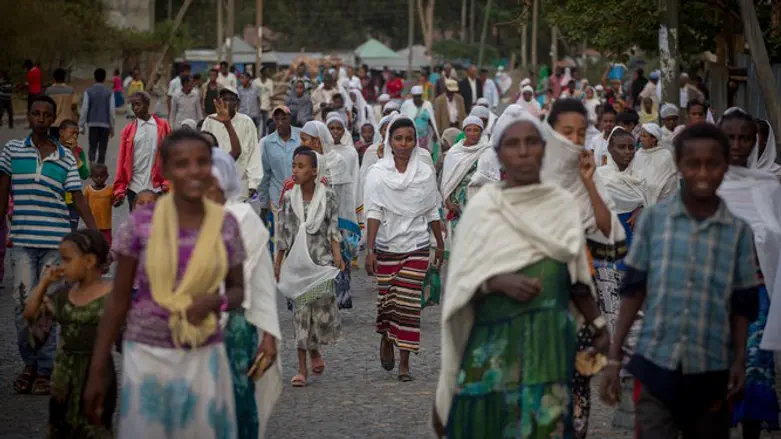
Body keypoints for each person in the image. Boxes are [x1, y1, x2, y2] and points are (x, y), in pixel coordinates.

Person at [433, 111, 609, 438]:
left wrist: (598, 324)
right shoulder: (484, 207)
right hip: (492, 346)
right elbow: (460, 282)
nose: (524, 151)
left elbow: (576, 278)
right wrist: (496, 282)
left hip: (548, 343)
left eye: (532, 142)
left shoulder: (562, 205)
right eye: (513, 144)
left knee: (543, 426)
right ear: (499, 155)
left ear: (545, 150)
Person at [600, 123, 761, 439]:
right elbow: (633, 293)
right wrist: (615, 356)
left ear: (725, 166)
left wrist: (740, 361)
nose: (702, 172)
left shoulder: (738, 231)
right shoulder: (654, 222)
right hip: (655, 366)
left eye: (712, 163)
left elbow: (743, 305)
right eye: (692, 163)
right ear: (680, 168)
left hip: (712, 369)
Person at [84, 130, 246, 438]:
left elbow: (238, 290)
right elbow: (118, 300)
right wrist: (96, 370)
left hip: (203, 354)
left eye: (202, 161)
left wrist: (214, 302)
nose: (194, 170)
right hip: (147, 356)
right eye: (182, 163)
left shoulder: (225, 225)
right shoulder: (141, 223)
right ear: (166, 170)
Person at [1, 95, 98, 396]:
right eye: (35, 114)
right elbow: (2, 193)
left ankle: (43, 369)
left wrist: (95, 235)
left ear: (53, 118)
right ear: (28, 117)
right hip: (23, 242)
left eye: (46, 115)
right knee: (21, 307)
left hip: (55, 243)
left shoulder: (65, 158)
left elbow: (78, 199)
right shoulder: (12, 151)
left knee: (45, 306)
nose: (41, 119)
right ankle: (28, 363)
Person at [543, 98, 626, 438]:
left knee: (577, 383)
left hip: (580, 300)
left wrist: (589, 182)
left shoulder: (589, 177)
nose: (574, 140)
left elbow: (606, 231)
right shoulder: (530, 173)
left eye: (580, 133)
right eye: (567, 132)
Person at [364, 115, 446, 381]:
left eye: (409, 139)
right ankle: (387, 338)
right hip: (387, 246)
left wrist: (440, 243)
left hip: (417, 245)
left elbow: (432, 208)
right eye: (398, 138)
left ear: (416, 141)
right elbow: (373, 210)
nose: (403, 144)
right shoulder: (378, 173)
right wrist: (371, 249)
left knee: (409, 304)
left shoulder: (424, 172)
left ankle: (405, 362)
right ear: (390, 141)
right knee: (387, 302)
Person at [207, 149, 282, 439]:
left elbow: (261, 281)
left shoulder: (243, 219)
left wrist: (268, 335)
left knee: (237, 398)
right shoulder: (184, 219)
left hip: (237, 325)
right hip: (192, 325)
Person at [716, 110, 781, 438]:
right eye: (731, 137)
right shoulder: (704, 184)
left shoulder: (769, 187)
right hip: (713, 298)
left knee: (755, 369)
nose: (738, 145)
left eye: (746, 137)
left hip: (758, 296)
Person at [23, 230, 116, 437]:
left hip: (99, 374)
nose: (61, 266)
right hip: (63, 377)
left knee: (95, 428)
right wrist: (44, 284)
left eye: (66, 260)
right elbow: (30, 317)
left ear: (90, 260)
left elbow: (127, 341)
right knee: (61, 427)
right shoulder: (62, 296)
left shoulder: (112, 297)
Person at [276, 146, 343, 388]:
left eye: (301, 166)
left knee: (322, 313)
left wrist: (338, 256)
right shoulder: (287, 198)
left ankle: (315, 350)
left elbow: (333, 229)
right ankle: (301, 367)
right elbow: (282, 232)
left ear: (315, 171)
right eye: (294, 165)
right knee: (301, 315)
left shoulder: (328, 197)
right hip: (297, 264)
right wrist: (278, 263)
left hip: (321, 261)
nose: (295, 170)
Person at [324, 114, 361, 309]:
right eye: (331, 128)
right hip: (323, 211)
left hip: (344, 209)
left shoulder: (350, 153)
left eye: (339, 128)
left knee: (342, 252)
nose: (335, 132)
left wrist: (353, 206)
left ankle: (341, 296)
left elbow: (354, 180)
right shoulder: (320, 152)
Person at [440, 115, 499, 238]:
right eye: (469, 130)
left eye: (476, 130)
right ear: (464, 132)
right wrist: (449, 202)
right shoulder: (454, 152)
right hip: (457, 204)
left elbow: (495, 178)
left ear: (481, 132)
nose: (472, 133)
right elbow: (446, 181)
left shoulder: (487, 151)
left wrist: (480, 179)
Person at [201, 87, 261, 199]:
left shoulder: (246, 122)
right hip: (214, 184)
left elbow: (254, 153)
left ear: (237, 103)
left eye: (231, 99)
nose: (227, 103)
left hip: (240, 184)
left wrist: (253, 183)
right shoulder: (210, 120)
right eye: (224, 99)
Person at [114, 92, 170, 210]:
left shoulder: (162, 126)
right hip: (134, 186)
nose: (135, 108)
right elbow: (122, 161)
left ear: (147, 104)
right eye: (132, 105)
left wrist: (168, 183)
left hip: (157, 187)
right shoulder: (128, 131)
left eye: (138, 104)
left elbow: (171, 156)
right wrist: (120, 189)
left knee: (156, 224)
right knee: (137, 223)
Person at [258, 106, 301, 252]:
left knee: (299, 237)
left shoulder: (301, 137)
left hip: (301, 195)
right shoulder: (267, 143)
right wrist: (263, 204)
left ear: (290, 119)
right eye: (277, 119)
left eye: (284, 118)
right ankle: (280, 271)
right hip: (278, 197)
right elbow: (265, 173)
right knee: (280, 239)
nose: (280, 122)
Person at [627, 123, 678, 205]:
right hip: (638, 201)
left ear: (654, 138)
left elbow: (670, 181)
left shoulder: (665, 155)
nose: (641, 139)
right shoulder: (638, 154)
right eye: (641, 136)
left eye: (644, 136)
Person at [59, 119, 91, 230]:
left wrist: (74, 153)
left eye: (77, 133)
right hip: (58, 199)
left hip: (73, 201)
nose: (75, 136)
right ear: (61, 132)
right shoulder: (53, 149)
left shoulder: (79, 151)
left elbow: (84, 174)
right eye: (72, 132)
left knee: (72, 232)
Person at [79, 68, 116, 164]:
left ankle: (91, 165)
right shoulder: (109, 92)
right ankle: (100, 167)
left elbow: (84, 109)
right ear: (104, 78)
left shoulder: (88, 91)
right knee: (102, 147)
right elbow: (112, 111)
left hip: (92, 123)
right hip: (105, 125)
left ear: (94, 77)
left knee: (92, 145)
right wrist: (112, 126)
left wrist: (81, 125)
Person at [401, 85, 439, 151]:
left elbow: (431, 120)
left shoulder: (427, 104)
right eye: (415, 96)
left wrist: (434, 132)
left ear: (421, 96)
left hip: (425, 136)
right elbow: (403, 120)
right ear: (412, 96)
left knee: (425, 152)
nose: (417, 98)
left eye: (419, 96)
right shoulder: (407, 105)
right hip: (411, 136)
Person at [84, 163, 114, 245]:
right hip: (92, 225)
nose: (99, 179)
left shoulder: (110, 190)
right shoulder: (88, 190)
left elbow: (115, 203)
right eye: (96, 176)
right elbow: (84, 207)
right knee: (93, 245)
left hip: (106, 226)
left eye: (102, 176)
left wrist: (120, 199)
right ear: (91, 177)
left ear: (107, 176)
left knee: (107, 245)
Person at [45, 68, 78, 139]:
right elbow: (74, 107)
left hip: (53, 123)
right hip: (67, 124)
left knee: (54, 145)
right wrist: (76, 120)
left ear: (54, 77)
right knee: (66, 146)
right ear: (64, 77)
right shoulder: (71, 90)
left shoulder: (48, 91)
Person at [253, 67, 274, 138]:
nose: (268, 72)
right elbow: (253, 95)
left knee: (265, 124)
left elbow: (271, 95)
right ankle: (256, 138)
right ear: (262, 72)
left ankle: (263, 138)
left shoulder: (270, 82)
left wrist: (272, 107)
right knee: (257, 124)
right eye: (267, 71)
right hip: (257, 107)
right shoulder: (255, 82)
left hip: (266, 106)